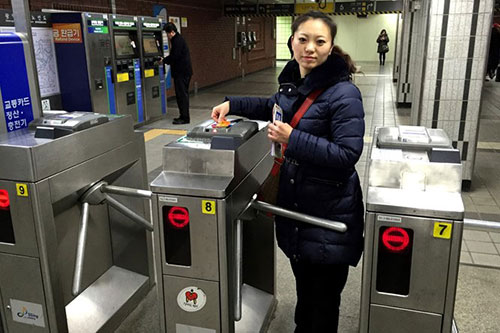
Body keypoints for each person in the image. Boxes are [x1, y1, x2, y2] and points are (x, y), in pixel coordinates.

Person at [211, 11, 364, 332]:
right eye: (303, 39)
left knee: (322, 301)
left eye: (320, 41)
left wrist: (293, 139)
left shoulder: (344, 94)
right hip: (298, 211)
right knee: (307, 295)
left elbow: (347, 155)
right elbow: (273, 107)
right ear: (292, 41)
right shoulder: (294, 83)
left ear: (331, 46)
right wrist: (232, 104)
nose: (310, 48)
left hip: (327, 215)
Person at [161, 22, 193, 124]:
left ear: (172, 32)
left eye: (167, 33)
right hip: (183, 72)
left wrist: (164, 60)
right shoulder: (178, 39)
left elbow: (175, 56)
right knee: (182, 95)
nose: (167, 35)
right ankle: (183, 115)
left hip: (181, 73)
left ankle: (184, 118)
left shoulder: (177, 41)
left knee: (182, 96)